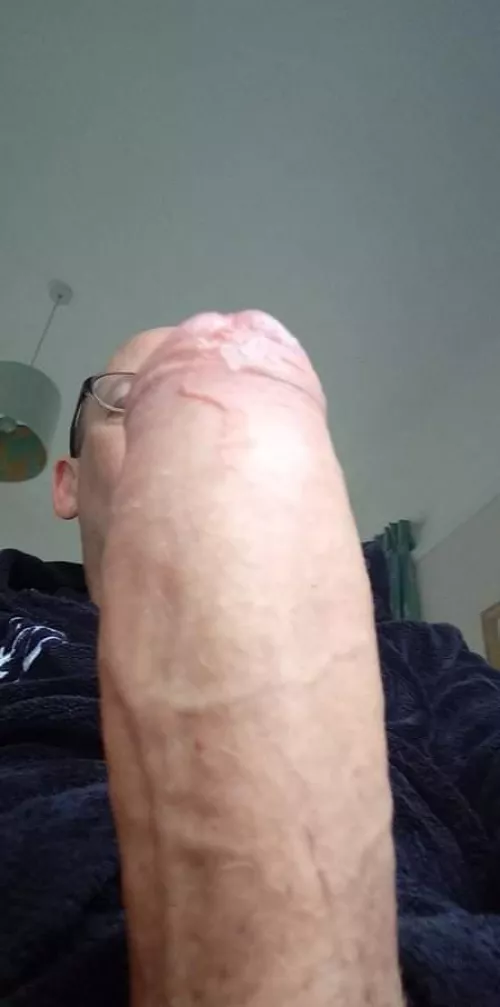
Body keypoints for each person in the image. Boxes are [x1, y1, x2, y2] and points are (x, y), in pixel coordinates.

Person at [1, 311, 499, 1007]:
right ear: (68, 484)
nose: (192, 415)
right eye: (134, 400)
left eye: (238, 389)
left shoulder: (422, 659)